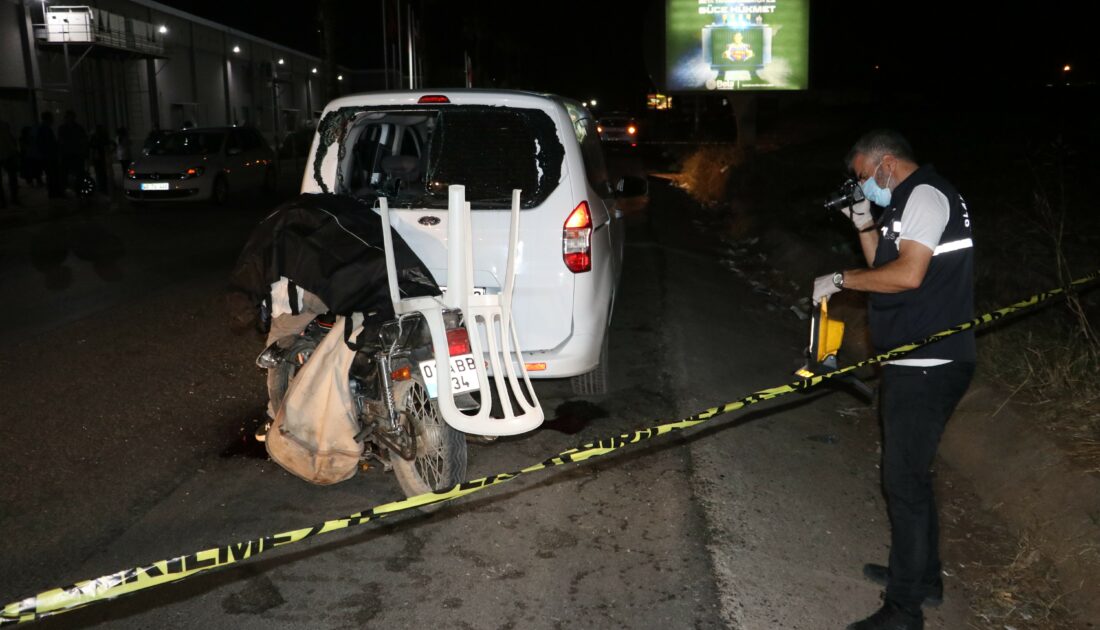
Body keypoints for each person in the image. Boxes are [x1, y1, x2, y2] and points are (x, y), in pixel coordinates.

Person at [813, 129, 975, 630]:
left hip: (928, 362)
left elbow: (907, 276)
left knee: (902, 482)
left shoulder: (924, 194)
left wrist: (838, 280)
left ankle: (903, 610)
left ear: (886, 163)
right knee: (912, 477)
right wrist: (864, 221)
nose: (865, 186)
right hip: (918, 359)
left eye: (864, 177)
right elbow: (881, 266)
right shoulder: (906, 202)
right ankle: (922, 577)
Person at [57, 110, 89, 193]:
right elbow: (61, 142)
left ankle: (78, 189)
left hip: (76, 154)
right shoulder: (63, 128)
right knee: (65, 173)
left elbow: (84, 140)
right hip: (68, 154)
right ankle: (65, 189)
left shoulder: (77, 128)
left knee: (78, 173)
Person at [35, 111, 63, 198]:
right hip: (50, 156)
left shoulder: (42, 129)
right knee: (53, 175)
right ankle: (54, 193)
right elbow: (49, 144)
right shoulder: (45, 129)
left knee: (51, 175)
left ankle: (53, 193)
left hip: (46, 156)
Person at [89, 124, 115, 195]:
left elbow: (92, 148)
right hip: (100, 157)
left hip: (100, 157)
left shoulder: (96, 138)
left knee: (100, 173)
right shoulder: (100, 137)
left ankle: (102, 187)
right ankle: (103, 187)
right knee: (101, 173)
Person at [0, 120, 19, 208]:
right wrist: (14, 151)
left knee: (12, 178)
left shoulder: (3, 124)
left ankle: (3, 201)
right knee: (12, 178)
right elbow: (9, 140)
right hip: (8, 154)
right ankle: (13, 199)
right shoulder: (3, 125)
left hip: (7, 154)